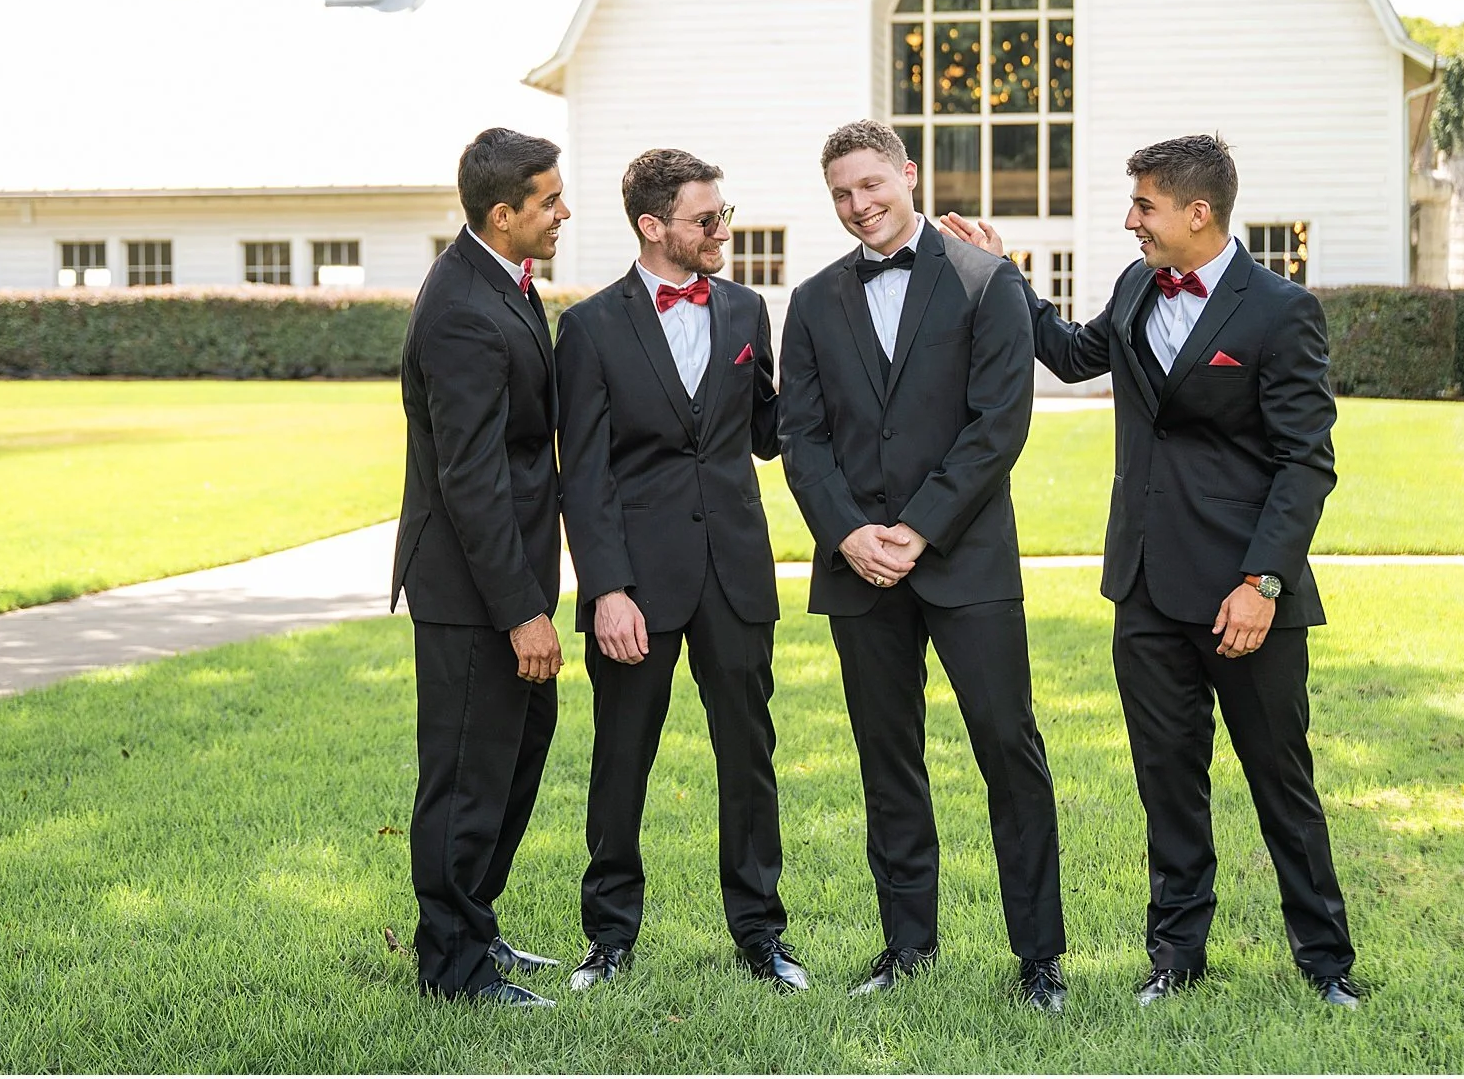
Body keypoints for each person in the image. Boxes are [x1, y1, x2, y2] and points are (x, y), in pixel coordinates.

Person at [942, 133, 1358, 1008]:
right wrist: (1006, 275)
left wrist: (1264, 584)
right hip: (1142, 586)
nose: (1131, 221)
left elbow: (1305, 463)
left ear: (1197, 213)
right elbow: (1069, 352)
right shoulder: (1136, 286)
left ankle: (1325, 965)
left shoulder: (1279, 312)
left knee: (1281, 781)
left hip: (1246, 594)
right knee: (1168, 783)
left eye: (1145, 206)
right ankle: (1176, 958)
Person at [778, 121, 1067, 1010]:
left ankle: (1040, 959)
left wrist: (920, 528)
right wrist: (850, 534)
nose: (858, 205)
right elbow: (802, 435)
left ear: (908, 174)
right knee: (886, 757)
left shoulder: (988, 283)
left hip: (966, 559)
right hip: (857, 566)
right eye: (840, 194)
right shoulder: (814, 299)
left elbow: (998, 425)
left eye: (871, 185)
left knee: (1008, 750)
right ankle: (908, 947)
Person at [554, 149, 806, 996]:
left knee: (749, 753)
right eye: (707, 219)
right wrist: (607, 590)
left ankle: (761, 933)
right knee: (623, 757)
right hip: (638, 583)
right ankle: (610, 936)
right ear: (652, 226)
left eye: (723, 214)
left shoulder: (746, 310)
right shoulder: (588, 328)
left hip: (735, 569)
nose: (722, 231)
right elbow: (583, 475)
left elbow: (769, 431)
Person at [392, 128, 567, 1008]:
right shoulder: (463, 309)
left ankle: (475, 928)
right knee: (465, 771)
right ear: (504, 215)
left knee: (519, 750)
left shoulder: (500, 282)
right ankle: (451, 967)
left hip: (512, 575)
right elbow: (471, 477)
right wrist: (520, 612)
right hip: (472, 590)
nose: (563, 211)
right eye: (548, 200)